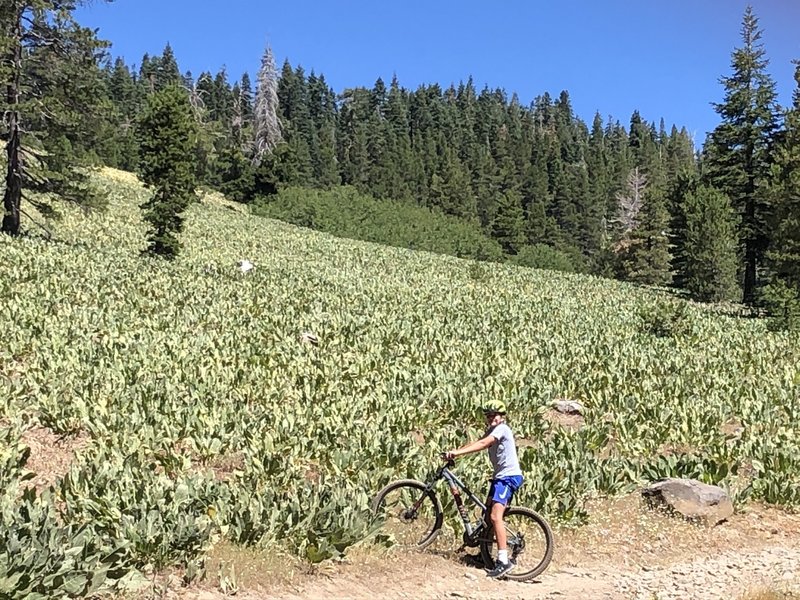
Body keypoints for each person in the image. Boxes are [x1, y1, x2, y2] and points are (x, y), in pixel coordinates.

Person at [444, 399, 523, 579]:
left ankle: (503, 561)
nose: (490, 419)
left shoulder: (502, 429)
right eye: (488, 416)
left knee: (496, 516)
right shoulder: (492, 430)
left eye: (493, 415)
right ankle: (484, 555)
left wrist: (457, 453)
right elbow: (477, 442)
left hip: (508, 477)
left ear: (501, 416)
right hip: (499, 478)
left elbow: (483, 444)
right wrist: (455, 451)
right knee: (487, 515)